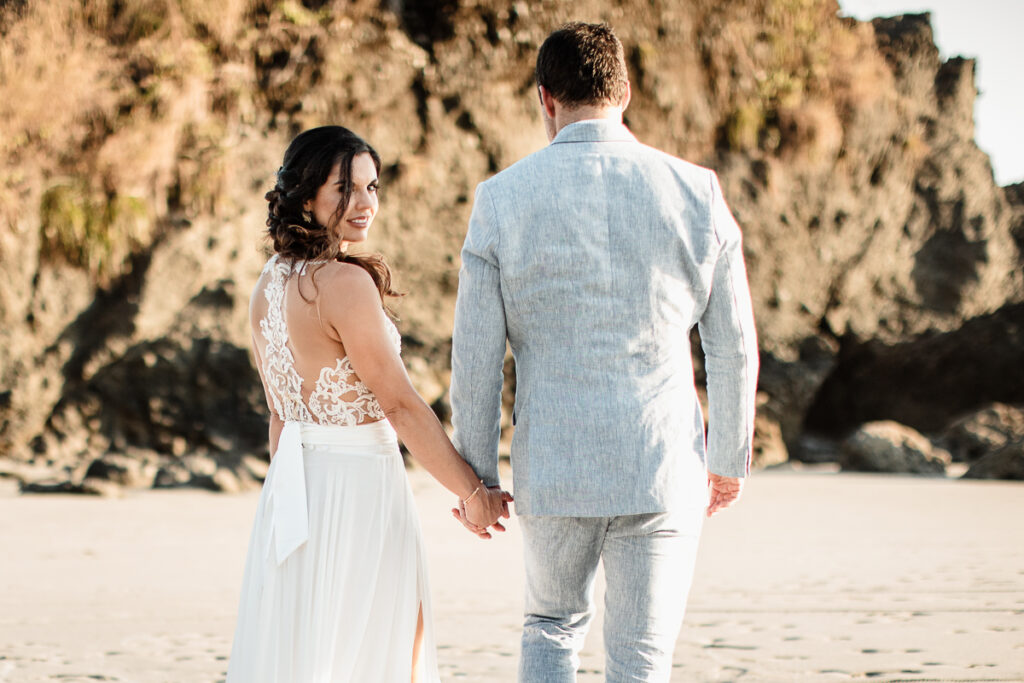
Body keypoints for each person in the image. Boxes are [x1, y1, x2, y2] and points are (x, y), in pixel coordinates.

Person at [449, 22, 759, 682]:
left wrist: (477, 478)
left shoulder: (500, 199)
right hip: (661, 461)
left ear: (545, 99)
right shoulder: (695, 190)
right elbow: (731, 344)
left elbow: (474, 359)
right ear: (625, 92)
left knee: (551, 628)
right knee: (642, 657)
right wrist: (729, 454)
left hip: (555, 467)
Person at [226, 125, 511, 683]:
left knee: (306, 650)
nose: (364, 204)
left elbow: (281, 414)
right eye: (345, 189)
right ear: (306, 197)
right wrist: (473, 494)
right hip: (359, 496)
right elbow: (401, 406)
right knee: (386, 648)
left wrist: (288, 511)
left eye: (372, 187)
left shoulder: (267, 283)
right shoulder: (342, 285)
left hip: (293, 499)